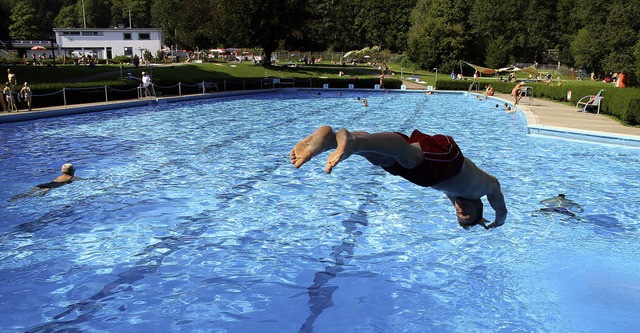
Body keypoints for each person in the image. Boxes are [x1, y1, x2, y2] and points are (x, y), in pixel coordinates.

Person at [290, 126, 507, 229]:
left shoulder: (457, 195)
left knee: (382, 159)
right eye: (467, 213)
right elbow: (500, 206)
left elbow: (460, 204)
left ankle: (330, 140)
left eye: (459, 214)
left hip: (428, 176)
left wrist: (472, 219)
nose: (461, 210)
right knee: (407, 155)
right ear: (480, 207)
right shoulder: (485, 188)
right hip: (449, 160)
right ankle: (353, 142)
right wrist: (498, 221)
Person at [9, 163, 83, 201]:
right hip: (52, 186)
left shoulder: (60, 176)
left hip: (45, 184)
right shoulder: (72, 177)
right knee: (40, 193)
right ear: (72, 171)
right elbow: (83, 180)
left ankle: (14, 198)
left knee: (27, 193)